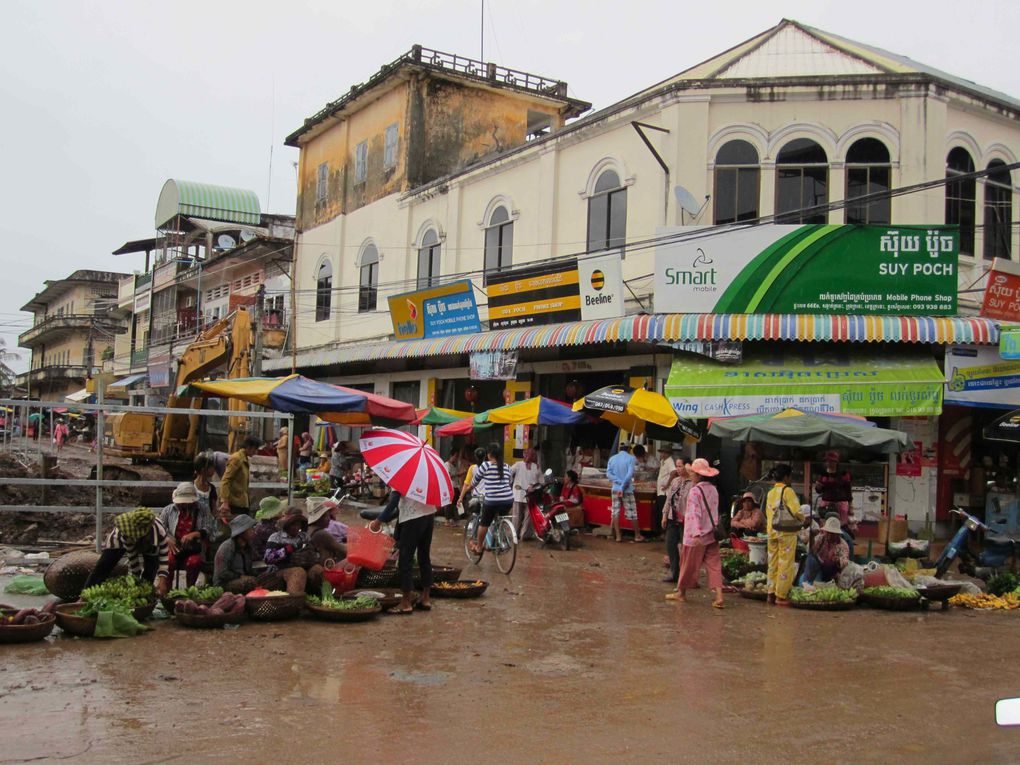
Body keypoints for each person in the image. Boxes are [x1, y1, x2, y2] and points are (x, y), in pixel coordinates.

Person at [666, 458, 724, 608]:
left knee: (687, 565)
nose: (690, 475)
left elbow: (694, 515)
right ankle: (719, 596)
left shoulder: (695, 491)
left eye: (692, 473)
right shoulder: (713, 489)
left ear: (698, 475)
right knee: (714, 565)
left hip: (695, 536)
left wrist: (696, 534)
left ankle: (681, 593)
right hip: (712, 533)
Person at [371, 489, 436, 614]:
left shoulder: (403, 475)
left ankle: (406, 602)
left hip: (412, 518)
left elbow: (393, 502)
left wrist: (378, 521)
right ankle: (426, 598)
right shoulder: (425, 475)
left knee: (405, 558)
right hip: (429, 515)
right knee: (424, 556)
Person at [83, 508, 171, 596]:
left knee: (151, 566)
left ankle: (146, 595)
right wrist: (134, 580)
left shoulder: (159, 533)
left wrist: (162, 581)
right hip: (119, 540)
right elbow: (133, 559)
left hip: (149, 541)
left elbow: (163, 558)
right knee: (104, 565)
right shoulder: (126, 531)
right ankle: (85, 595)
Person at [159, 482, 217, 587]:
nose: (185, 504)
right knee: (169, 562)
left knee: (194, 562)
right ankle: (166, 591)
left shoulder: (203, 510)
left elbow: (209, 528)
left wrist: (195, 534)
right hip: (174, 548)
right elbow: (160, 528)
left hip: (193, 550)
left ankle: (189, 589)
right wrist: (167, 539)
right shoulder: (168, 510)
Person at [765, 464, 806, 606]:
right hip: (786, 533)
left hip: (772, 532)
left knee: (773, 562)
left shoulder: (770, 492)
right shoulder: (788, 491)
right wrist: (803, 521)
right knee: (785, 563)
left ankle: (770, 593)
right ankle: (781, 596)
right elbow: (797, 512)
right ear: (787, 477)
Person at [469, 443, 514, 556]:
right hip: (508, 500)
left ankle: (479, 547)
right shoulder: (507, 466)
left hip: (492, 500)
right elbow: (509, 481)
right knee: (498, 518)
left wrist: (470, 488)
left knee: (484, 524)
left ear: (489, 454)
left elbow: (475, 481)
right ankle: (498, 540)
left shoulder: (485, 465)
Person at [264, 510, 320, 595]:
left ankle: (318, 598)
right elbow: (268, 558)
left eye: (298, 524)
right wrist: (288, 549)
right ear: (286, 525)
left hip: (305, 567)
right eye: (292, 524)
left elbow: (316, 554)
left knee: (318, 570)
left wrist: (309, 555)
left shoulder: (304, 537)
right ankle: (294, 602)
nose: (295, 527)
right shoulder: (276, 537)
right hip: (280, 570)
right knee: (298, 572)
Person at [661, 457, 691, 584]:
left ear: (687, 466)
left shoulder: (693, 483)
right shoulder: (675, 481)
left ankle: (687, 576)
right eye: (677, 466)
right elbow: (668, 499)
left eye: (680, 466)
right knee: (670, 545)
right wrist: (664, 515)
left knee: (686, 549)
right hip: (673, 518)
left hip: (686, 520)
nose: (678, 469)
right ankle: (675, 573)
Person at [213, 515, 259, 593]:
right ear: (242, 532)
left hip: (243, 579)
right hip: (224, 584)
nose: (253, 531)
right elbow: (222, 573)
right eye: (250, 529)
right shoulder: (227, 547)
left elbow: (249, 568)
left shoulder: (248, 547)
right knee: (249, 583)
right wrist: (241, 576)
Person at [606, 443, 642, 543]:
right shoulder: (631, 459)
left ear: (619, 448)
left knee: (615, 512)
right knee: (632, 513)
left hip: (615, 489)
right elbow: (629, 474)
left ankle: (618, 536)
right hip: (627, 489)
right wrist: (623, 485)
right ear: (629, 449)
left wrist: (618, 482)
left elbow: (608, 474)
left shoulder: (612, 458)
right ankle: (637, 535)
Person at [219, 436, 261, 516]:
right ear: (249, 447)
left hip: (242, 502)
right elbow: (226, 480)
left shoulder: (244, 458)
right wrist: (225, 502)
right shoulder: (237, 458)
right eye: (255, 449)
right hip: (235, 503)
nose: (256, 452)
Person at [802, 516, 851, 584]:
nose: (830, 535)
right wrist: (812, 537)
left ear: (837, 534)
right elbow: (812, 551)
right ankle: (809, 583)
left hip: (831, 572)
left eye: (832, 533)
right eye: (828, 532)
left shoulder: (842, 545)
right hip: (818, 568)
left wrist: (837, 560)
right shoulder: (821, 538)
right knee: (811, 559)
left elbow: (844, 562)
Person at [815, 450, 854, 531]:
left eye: (831, 461)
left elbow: (848, 491)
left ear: (836, 462)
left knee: (841, 527)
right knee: (826, 526)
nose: (828, 463)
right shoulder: (822, 475)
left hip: (841, 504)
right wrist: (818, 487)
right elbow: (819, 491)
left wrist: (851, 507)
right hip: (826, 505)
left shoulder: (844, 474)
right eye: (827, 461)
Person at [193, 452, 227, 546]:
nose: (214, 469)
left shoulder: (211, 489)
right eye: (212, 467)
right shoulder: (191, 488)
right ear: (204, 470)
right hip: (193, 526)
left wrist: (220, 515)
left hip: (208, 527)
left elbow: (213, 510)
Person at [510, 447, 542, 537]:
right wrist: (534, 486)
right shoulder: (536, 467)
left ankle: (515, 535)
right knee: (528, 518)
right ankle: (524, 535)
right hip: (527, 496)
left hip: (519, 495)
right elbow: (541, 482)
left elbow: (508, 473)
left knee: (517, 517)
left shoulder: (518, 465)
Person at [653, 444, 677, 538]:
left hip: (665, 492)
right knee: (660, 510)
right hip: (661, 491)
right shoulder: (663, 461)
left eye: (663, 452)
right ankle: (662, 532)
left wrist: (667, 484)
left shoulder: (669, 461)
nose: (661, 454)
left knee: (663, 511)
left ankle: (664, 533)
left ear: (667, 453)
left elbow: (673, 472)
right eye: (661, 452)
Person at [252, 496, 286, 561]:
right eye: (280, 510)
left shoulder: (263, 524)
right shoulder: (268, 529)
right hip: (265, 559)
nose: (282, 511)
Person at [458, 447, 486, 517]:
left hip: (477, 498)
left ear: (475, 457)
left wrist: (460, 497)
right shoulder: (490, 466)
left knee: (475, 516)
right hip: (489, 498)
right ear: (485, 456)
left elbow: (466, 484)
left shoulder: (472, 468)